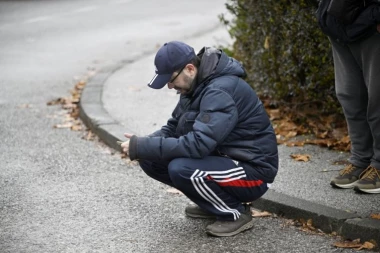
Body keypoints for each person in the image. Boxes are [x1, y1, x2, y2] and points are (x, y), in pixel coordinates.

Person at [120, 41, 278, 237]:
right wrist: (143, 144)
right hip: (225, 159)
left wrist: (143, 145)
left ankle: (235, 214)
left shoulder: (219, 91)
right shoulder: (193, 87)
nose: (170, 86)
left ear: (190, 69)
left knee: (182, 169)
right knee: (149, 158)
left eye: (171, 80)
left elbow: (198, 145)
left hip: (254, 172)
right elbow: (173, 128)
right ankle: (213, 204)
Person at [317, 0, 380, 193]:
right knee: (350, 95)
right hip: (339, 21)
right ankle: (361, 160)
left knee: (378, 97)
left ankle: (379, 164)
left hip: (372, 22)